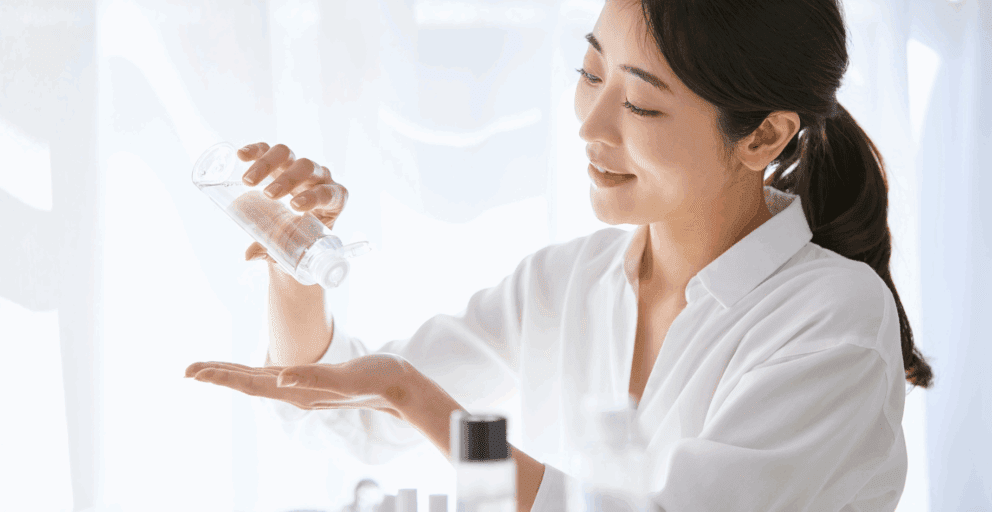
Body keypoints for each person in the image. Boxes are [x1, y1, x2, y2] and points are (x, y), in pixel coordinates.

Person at [185, 0, 935, 510]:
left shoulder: (832, 316)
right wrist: (297, 264)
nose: (591, 124)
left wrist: (417, 395)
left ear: (764, 137)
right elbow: (350, 423)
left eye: (641, 103)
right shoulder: (568, 282)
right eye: (590, 73)